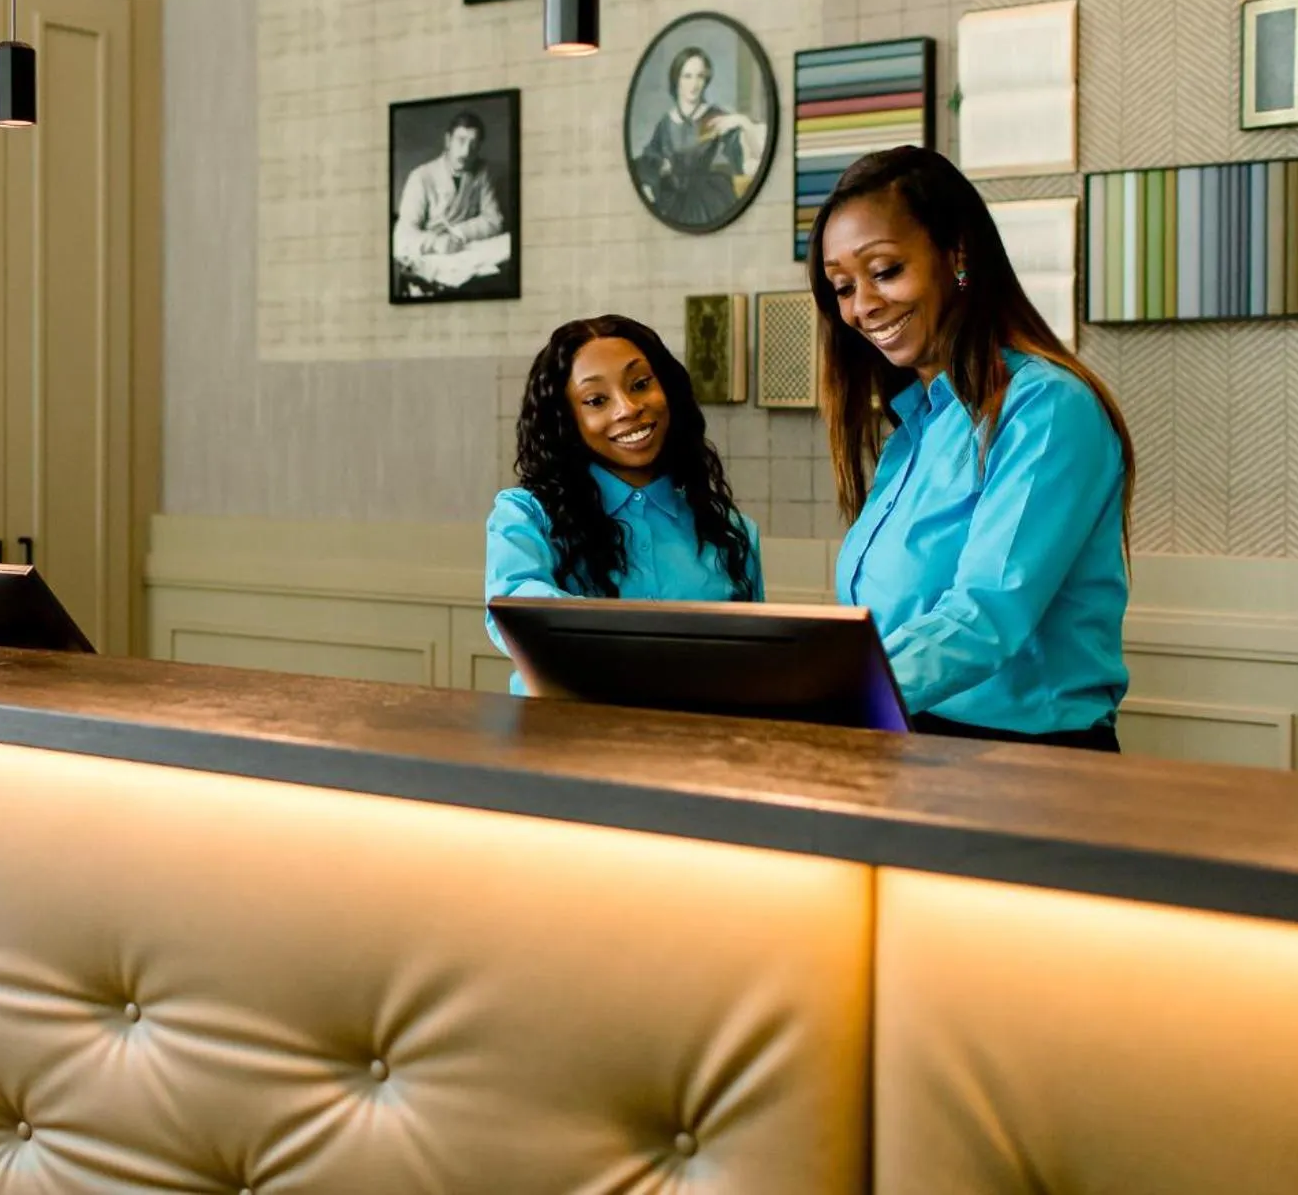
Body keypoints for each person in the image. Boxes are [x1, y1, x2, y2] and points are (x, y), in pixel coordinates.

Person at [809, 146, 1136, 751]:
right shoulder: (916, 425)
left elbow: (987, 613)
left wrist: (829, 695)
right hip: (909, 742)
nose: (862, 306)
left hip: (1025, 765)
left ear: (957, 255)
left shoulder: (1046, 407)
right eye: (842, 287)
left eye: (884, 271)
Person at [484, 315, 764, 694]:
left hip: (696, 745)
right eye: (596, 400)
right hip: (560, 742)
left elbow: (756, 663)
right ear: (569, 420)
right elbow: (516, 611)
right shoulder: (527, 514)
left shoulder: (731, 531)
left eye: (640, 384)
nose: (628, 408)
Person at [634, 47, 767, 229]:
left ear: (706, 80)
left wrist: (743, 122)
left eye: (700, 76)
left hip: (708, 198)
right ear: (677, 80)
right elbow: (648, 163)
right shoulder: (666, 122)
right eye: (687, 76)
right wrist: (659, 171)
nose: (694, 84)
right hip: (672, 197)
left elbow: (752, 158)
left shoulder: (713, 116)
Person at [392, 110, 507, 290]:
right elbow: (402, 237)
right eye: (460, 141)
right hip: (433, 254)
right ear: (448, 141)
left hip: (465, 250)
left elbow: (494, 220)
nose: (466, 151)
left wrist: (459, 233)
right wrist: (437, 243)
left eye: (474, 144)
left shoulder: (481, 173)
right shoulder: (421, 176)